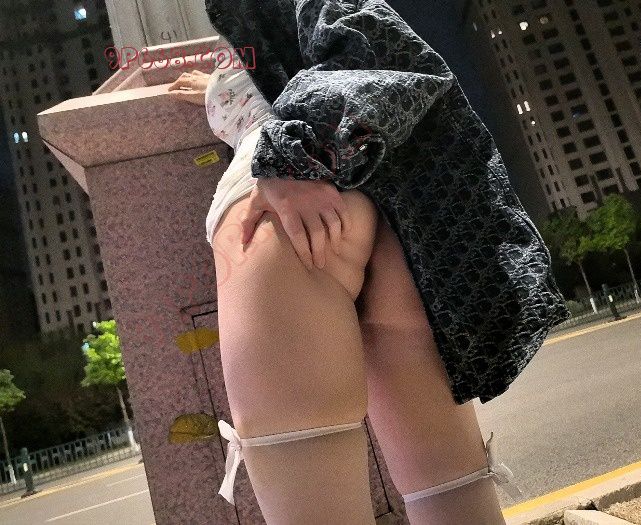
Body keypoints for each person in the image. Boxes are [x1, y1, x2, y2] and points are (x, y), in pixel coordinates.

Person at [167, 1, 570, 522]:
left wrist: (291, 155)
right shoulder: (253, 45)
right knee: (451, 496)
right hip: (384, 216)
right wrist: (223, 87)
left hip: (287, 211)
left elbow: (371, 40)